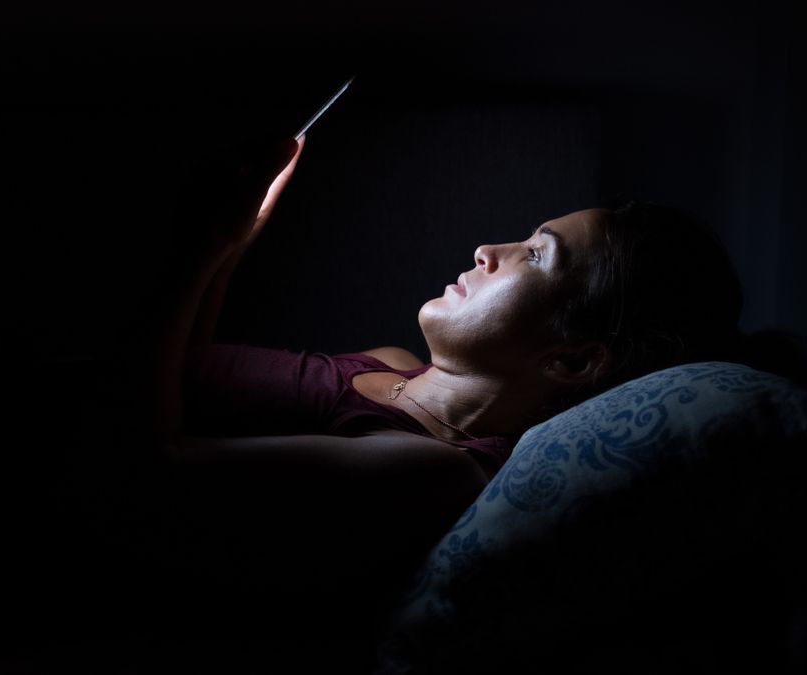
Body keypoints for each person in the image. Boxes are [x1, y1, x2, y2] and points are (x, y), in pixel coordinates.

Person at [145, 132, 757, 641]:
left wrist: (192, 258)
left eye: (537, 256)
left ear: (571, 362)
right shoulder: (390, 362)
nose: (488, 250)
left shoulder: (433, 469)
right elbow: (188, 371)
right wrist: (231, 250)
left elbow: (150, 477)